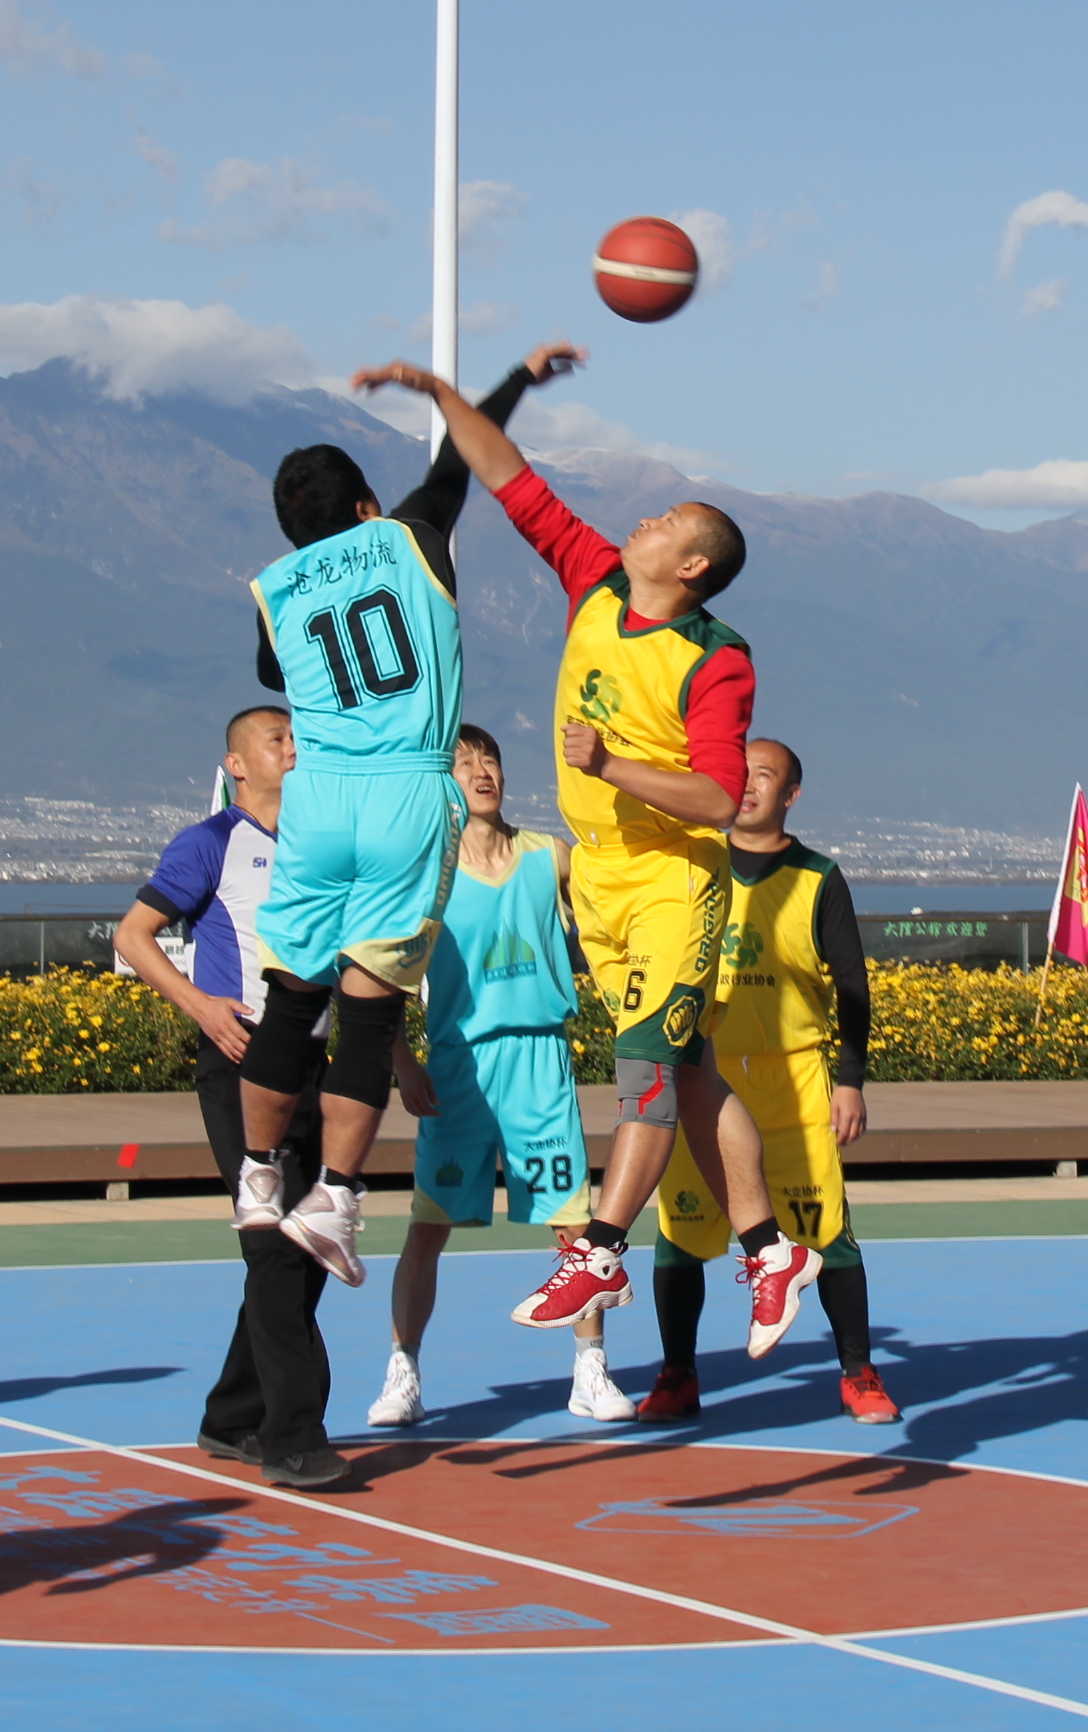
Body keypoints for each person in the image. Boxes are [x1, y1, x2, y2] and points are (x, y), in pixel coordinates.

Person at [349, 362, 817, 1357]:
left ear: (691, 564)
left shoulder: (716, 658)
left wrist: (611, 764)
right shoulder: (597, 579)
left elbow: (719, 797)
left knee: (645, 1070)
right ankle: (772, 1251)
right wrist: (444, 395)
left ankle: (601, 1249)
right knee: (685, 1072)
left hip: (672, 875)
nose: (643, 521)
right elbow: (506, 473)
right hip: (599, 875)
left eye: (665, 521)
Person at [230, 347, 575, 1290]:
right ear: (366, 505)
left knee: (291, 998)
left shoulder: (276, 588)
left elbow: (271, 671)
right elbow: (463, 454)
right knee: (369, 1012)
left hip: (319, 796)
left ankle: (257, 1179)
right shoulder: (409, 537)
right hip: (405, 790)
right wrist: (511, 380)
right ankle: (336, 1198)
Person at [114, 705, 351, 1490]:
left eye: (297, 738)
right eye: (277, 740)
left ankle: (231, 1415)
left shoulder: (320, 847)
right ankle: (291, 1436)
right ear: (238, 764)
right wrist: (201, 1006)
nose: (293, 749)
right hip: (242, 1063)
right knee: (274, 1246)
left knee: (310, 1246)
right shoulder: (211, 842)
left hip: (313, 1063)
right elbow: (133, 935)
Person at [368, 724, 631, 1430]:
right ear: (442, 783)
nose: (482, 771)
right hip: (459, 1067)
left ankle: (590, 1369)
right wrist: (402, 1062)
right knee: (429, 1227)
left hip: (540, 1060)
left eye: (491, 760)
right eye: (465, 763)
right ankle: (403, 1371)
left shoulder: (550, 857)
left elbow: (622, 894)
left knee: (576, 1229)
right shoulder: (425, 876)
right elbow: (374, 975)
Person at [644, 737, 898, 1424]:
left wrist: (851, 1080)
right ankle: (677, 1374)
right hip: (703, 1082)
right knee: (680, 1235)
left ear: (791, 794)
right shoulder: (693, 864)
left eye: (766, 776)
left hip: (794, 1086)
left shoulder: (818, 878)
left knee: (828, 1234)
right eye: (742, 773)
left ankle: (859, 1373)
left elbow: (852, 987)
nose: (750, 786)